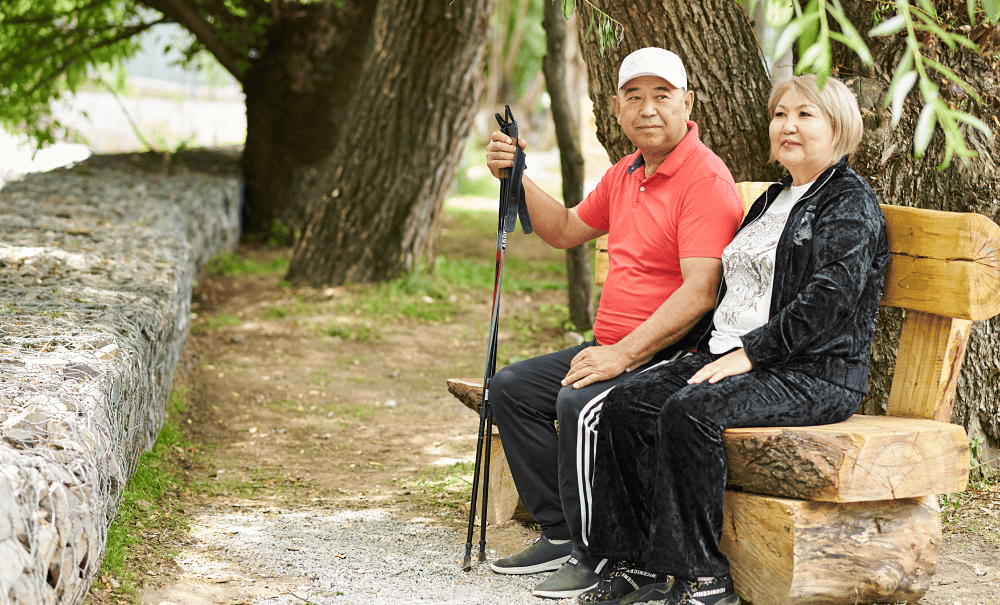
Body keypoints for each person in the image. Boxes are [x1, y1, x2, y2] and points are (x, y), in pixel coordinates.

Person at [575, 73, 890, 605]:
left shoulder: (848, 204)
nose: (787, 125)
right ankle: (636, 567)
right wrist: (698, 349)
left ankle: (704, 579)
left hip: (810, 371)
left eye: (804, 115)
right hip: (732, 355)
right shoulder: (773, 198)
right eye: (779, 114)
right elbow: (733, 287)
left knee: (691, 411)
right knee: (629, 402)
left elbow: (828, 301)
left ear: (839, 128)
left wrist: (752, 352)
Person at [483, 47, 745, 599]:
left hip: (665, 355)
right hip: (611, 343)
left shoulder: (704, 179)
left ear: (687, 103)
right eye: (634, 97)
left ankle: (599, 552)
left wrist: (622, 355)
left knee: (578, 405)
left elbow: (699, 294)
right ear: (618, 109)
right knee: (510, 389)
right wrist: (519, 176)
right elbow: (563, 229)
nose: (648, 109)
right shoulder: (626, 172)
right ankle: (560, 532)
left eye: (662, 95)